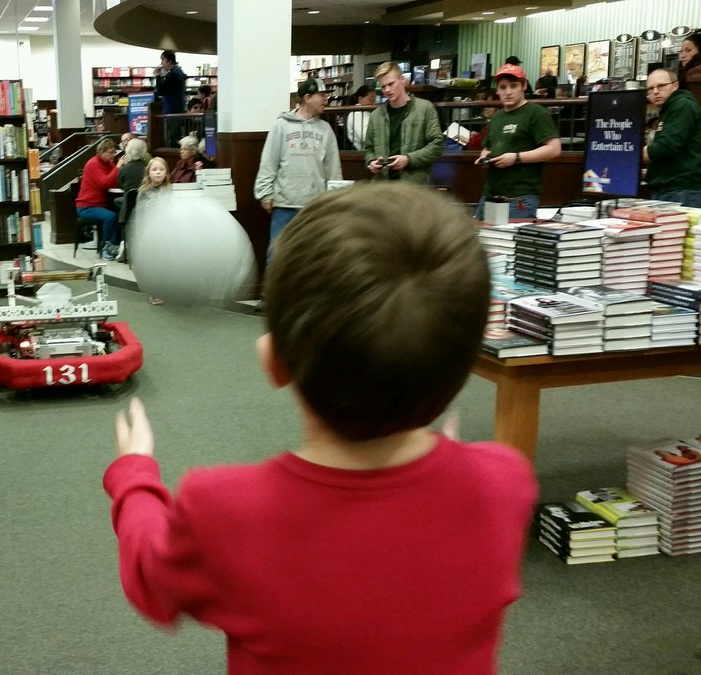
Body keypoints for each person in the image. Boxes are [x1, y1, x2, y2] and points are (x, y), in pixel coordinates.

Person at [103, 182, 537, 673]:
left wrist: (134, 474)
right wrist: (454, 465)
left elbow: (151, 581)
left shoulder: (224, 509)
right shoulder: (504, 480)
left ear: (274, 362)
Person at [253, 77, 342, 260]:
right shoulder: (281, 126)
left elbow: (333, 169)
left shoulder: (326, 130)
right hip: (284, 204)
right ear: (307, 97)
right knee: (277, 256)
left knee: (313, 258)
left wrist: (335, 198)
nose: (326, 99)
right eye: (322, 95)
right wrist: (264, 193)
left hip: (315, 207)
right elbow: (269, 161)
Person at [475, 63, 562, 221]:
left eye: (513, 86)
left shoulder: (536, 113)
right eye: (503, 87)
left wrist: (516, 158)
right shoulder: (496, 117)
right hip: (489, 196)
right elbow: (487, 148)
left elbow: (554, 149)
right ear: (497, 90)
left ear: (523, 86)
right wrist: (485, 158)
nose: (508, 92)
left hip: (520, 199)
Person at [362, 61, 443, 184]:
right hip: (383, 186)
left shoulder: (425, 108)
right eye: (383, 87)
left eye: (391, 84)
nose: (387, 90)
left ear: (402, 80)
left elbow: (437, 146)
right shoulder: (376, 116)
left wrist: (409, 159)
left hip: (414, 187)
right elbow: (369, 149)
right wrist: (371, 161)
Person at [643, 68, 701, 207]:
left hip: (682, 191)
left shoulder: (683, 105)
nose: (655, 91)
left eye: (661, 86)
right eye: (650, 88)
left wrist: (634, 154)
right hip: (669, 189)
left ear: (675, 85)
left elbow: (665, 147)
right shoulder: (669, 109)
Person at [76, 138, 127, 261]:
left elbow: (114, 181)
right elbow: (105, 182)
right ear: (101, 151)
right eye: (110, 152)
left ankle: (114, 246)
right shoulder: (92, 164)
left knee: (119, 215)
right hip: (86, 206)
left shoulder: (109, 164)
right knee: (110, 217)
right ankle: (105, 248)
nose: (113, 156)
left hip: (100, 204)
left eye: (114, 152)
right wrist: (118, 167)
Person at [133, 157, 172, 305]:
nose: (158, 173)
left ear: (166, 173)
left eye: (161, 170)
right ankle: (154, 292)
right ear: (148, 173)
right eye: (154, 170)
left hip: (166, 232)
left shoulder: (169, 190)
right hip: (149, 232)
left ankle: (164, 289)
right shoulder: (143, 192)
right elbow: (140, 213)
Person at [115, 137, 148, 227]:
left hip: (128, 206)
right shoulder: (148, 169)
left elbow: (121, 186)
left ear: (128, 152)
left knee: (116, 201)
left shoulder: (123, 170)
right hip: (145, 207)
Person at [344, 84, 376, 151]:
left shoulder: (365, 112)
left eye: (374, 100)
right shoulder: (357, 113)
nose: (373, 103)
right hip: (363, 153)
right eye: (370, 99)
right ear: (360, 99)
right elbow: (365, 136)